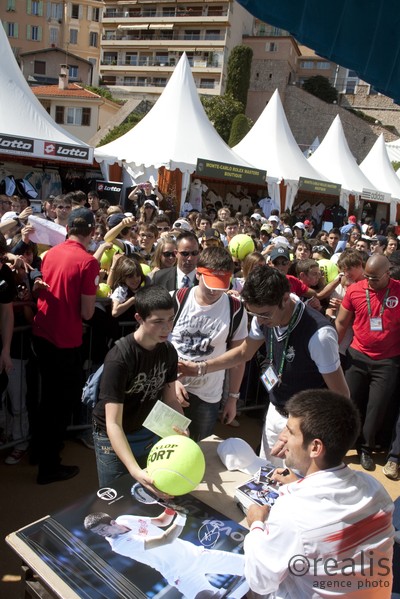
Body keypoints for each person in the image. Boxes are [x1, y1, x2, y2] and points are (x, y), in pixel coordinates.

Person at [179, 265, 348, 464]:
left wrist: (298, 427)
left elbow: (341, 396)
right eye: (255, 314)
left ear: (285, 298)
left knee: (293, 484)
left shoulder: (319, 335)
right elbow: (244, 352)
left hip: (306, 425)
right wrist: (200, 367)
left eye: (265, 314)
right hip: (275, 410)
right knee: (268, 477)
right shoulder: (263, 318)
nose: (259, 320)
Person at [244, 389, 394, 598]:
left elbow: (260, 581)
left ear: (315, 447)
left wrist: (256, 524)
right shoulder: (375, 489)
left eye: (290, 431)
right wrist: (302, 484)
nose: (282, 437)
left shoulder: (292, 514)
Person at [92, 285, 185, 491]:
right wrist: (134, 470)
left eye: (170, 319)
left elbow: (170, 400)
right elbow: (113, 423)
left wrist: (181, 428)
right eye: (158, 321)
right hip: (111, 436)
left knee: (146, 492)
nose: (167, 327)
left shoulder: (169, 351)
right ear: (139, 318)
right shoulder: (120, 358)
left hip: (145, 429)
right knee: (116, 495)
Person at [32, 208, 99, 484]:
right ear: (92, 232)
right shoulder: (88, 262)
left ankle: (40, 452)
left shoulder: (52, 253)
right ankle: (49, 466)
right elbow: (87, 313)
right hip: (64, 341)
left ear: (69, 228)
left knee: (46, 401)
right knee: (59, 405)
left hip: (42, 334)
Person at [172, 247, 248, 440]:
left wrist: (232, 399)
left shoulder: (236, 309)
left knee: (200, 448)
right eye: (211, 284)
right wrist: (169, 381)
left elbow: (238, 357)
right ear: (198, 274)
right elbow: (156, 344)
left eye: (221, 285)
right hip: (171, 390)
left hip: (208, 395)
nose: (215, 291)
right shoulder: (176, 299)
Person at [84, 509, 245, 599]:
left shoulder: (124, 518)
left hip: (196, 555)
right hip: (180, 574)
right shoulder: (119, 545)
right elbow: (165, 539)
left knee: (253, 566)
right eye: (98, 533)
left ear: (112, 522)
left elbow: (162, 521)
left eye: (102, 529)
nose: (102, 534)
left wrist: (170, 506)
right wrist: (181, 515)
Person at [335, 254, 400, 471]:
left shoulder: (399, 290)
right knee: (348, 402)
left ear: (387, 273)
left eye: (375, 278)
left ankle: (366, 448)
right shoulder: (355, 290)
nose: (370, 281)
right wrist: (332, 351)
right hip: (358, 356)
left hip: (387, 361)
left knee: (376, 407)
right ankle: (342, 444)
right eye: (367, 276)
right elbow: (342, 322)